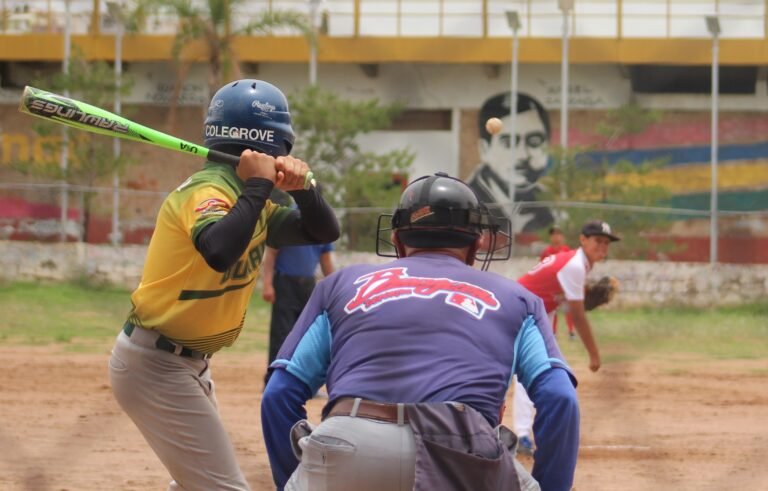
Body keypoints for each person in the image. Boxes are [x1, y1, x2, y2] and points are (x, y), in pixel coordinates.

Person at [262, 172, 580, 491]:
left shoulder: (339, 285)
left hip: (347, 442)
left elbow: (278, 395)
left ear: (397, 240)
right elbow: (560, 398)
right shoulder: (519, 299)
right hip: (463, 449)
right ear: (477, 243)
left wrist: (303, 476)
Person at [108, 79, 340, 491]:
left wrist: (304, 190)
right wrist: (258, 186)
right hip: (157, 364)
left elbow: (323, 230)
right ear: (276, 142)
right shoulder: (208, 191)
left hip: (187, 363)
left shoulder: (250, 201)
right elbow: (218, 249)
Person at [511, 219, 620, 457]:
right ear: (583, 240)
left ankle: (525, 433)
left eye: (606, 242)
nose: (603, 246)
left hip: (535, 311)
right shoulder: (575, 266)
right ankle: (522, 434)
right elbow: (577, 316)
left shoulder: (578, 263)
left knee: (537, 369)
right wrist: (594, 354)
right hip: (520, 311)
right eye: (598, 240)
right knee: (532, 370)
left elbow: (557, 296)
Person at [468, 91, 555, 234]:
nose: (523, 155)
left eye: (534, 141)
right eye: (508, 143)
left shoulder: (549, 204)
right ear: (484, 150)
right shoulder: (467, 202)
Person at [261, 237, 335, 387]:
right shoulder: (287, 224)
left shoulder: (323, 228)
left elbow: (325, 259)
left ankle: (304, 383)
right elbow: (271, 254)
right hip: (284, 283)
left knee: (308, 336)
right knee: (282, 333)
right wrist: (267, 284)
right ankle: (273, 382)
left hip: (308, 285)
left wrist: (335, 288)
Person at [539, 226, 576, 341]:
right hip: (551, 285)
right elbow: (541, 268)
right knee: (552, 309)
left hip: (564, 284)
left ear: (562, 237)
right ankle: (553, 332)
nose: (555, 237)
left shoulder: (566, 250)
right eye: (553, 234)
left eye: (558, 234)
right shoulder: (547, 252)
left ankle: (571, 332)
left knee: (568, 308)